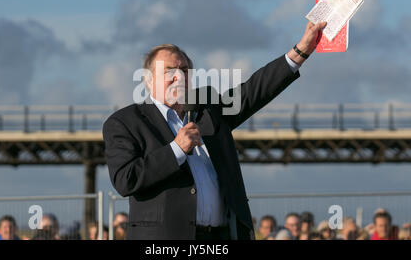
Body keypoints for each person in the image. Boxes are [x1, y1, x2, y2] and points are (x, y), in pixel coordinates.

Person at [103, 21, 327, 240]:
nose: (178, 76)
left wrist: (300, 52)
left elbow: (253, 92)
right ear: (149, 81)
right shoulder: (125, 122)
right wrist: (176, 150)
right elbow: (125, 179)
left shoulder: (207, 110)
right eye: (168, 70)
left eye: (184, 70)